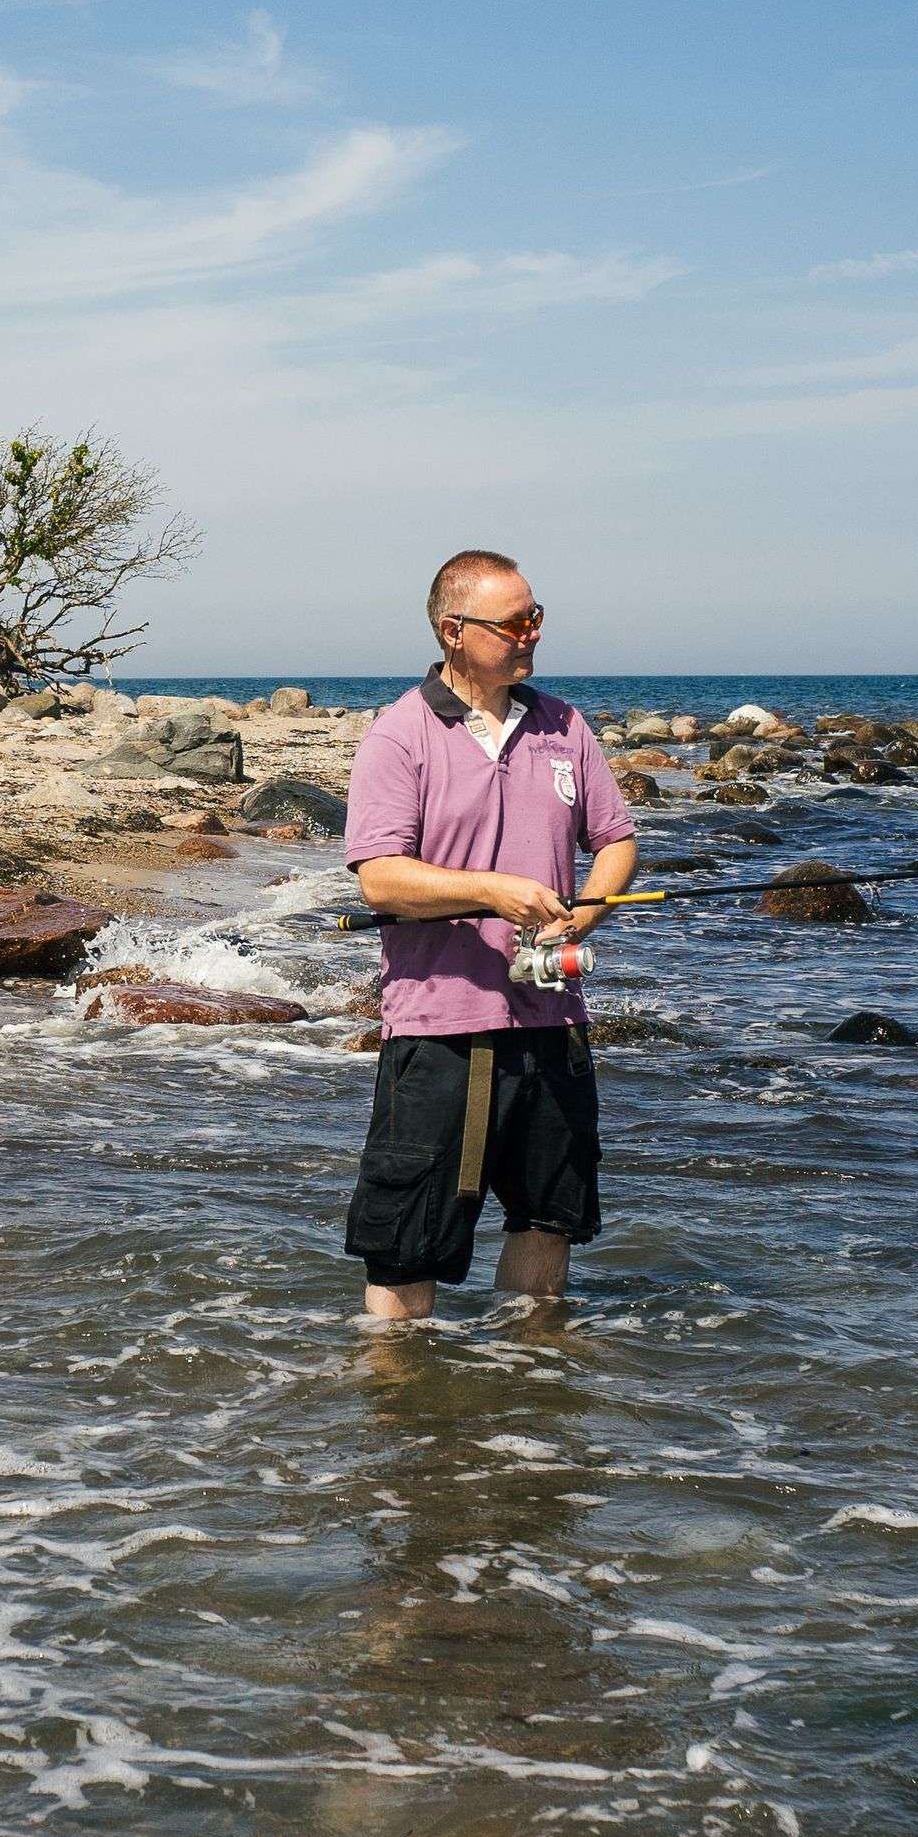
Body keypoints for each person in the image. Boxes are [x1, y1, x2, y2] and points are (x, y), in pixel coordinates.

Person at [338, 551, 639, 1318]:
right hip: (441, 1029)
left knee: (551, 1220)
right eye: (513, 622)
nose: (530, 634)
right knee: (407, 1245)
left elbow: (615, 838)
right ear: (453, 631)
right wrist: (490, 891)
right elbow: (380, 879)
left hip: (552, 1018)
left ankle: (527, 1407)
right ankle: (401, 1413)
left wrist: (587, 910)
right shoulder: (398, 737)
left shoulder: (564, 725)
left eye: (536, 617)